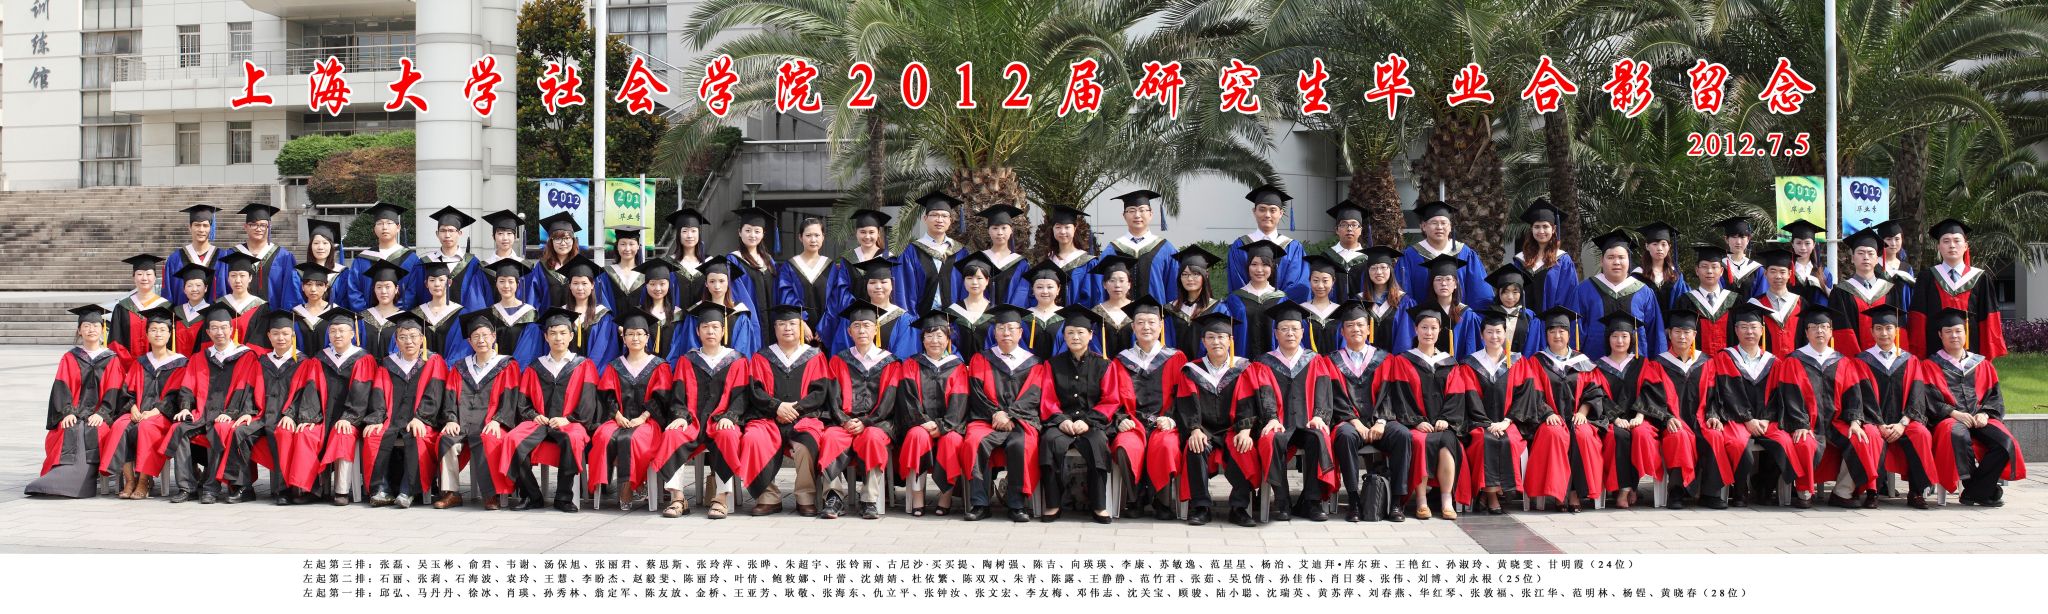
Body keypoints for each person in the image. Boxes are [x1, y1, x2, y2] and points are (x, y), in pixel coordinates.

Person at [1235, 302, 1341, 523]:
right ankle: (1282, 502)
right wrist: (1271, 418)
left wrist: (1319, 415)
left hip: (1307, 422)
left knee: (1319, 436)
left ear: (1302, 332)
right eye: (1284, 329)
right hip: (1278, 424)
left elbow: (1323, 390)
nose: (1290, 333)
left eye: (1294, 328)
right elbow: (1263, 393)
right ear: (1276, 333)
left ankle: (1311, 502)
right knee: (1271, 439)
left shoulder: (1315, 360)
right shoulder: (1263, 362)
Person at [1767, 309, 1883, 509]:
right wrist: (1800, 424)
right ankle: (1804, 493)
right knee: (1804, 442)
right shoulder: (1793, 361)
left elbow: (1853, 395)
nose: (1819, 331)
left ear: (1831, 332)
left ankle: (1842, 492)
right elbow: (1790, 396)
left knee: (1859, 439)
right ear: (1806, 333)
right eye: (1814, 327)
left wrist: (1855, 421)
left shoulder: (1843, 361)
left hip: (1837, 422)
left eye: (1824, 327)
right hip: (1808, 423)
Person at [652, 302, 757, 519]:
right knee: (672, 434)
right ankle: (678, 498)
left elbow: (742, 396)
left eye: (715, 327)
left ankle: (721, 498)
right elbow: (678, 395)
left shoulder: (737, 360)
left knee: (728, 435)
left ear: (723, 331)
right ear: (698, 331)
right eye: (705, 327)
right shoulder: (687, 360)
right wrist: (681, 416)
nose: (710, 331)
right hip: (693, 420)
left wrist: (731, 416)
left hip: (721, 420)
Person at [739, 305, 839, 516]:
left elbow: (820, 392)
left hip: (804, 418)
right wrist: (777, 407)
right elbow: (755, 391)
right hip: (768, 418)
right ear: (774, 328)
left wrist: (795, 409)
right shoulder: (762, 357)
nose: (787, 328)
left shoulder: (815, 356)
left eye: (793, 323)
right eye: (782, 324)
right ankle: (768, 497)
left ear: (801, 327)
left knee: (807, 444)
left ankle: (805, 497)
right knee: (753, 438)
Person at [1037, 306, 1133, 524]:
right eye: (1070, 332)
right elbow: (1047, 399)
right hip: (1060, 423)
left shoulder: (1104, 365)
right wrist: (1061, 420)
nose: (1075, 337)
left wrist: (1088, 421)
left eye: (1080, 332)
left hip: (1092, 424)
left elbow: (1110, 400)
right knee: (1049, 442)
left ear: (1090, 335)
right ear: (1064, 336)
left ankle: (1098, 505)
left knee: (1098, 444)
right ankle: (1053, 503)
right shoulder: (1052, 365)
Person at [1168, 313, 1266, 526]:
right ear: (1203, 342)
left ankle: (1239, 507)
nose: (1216, 342)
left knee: (1244, 448)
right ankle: (1201, 506)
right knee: (1195, 447)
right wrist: (1194, 429)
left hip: (1233, 428)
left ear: (1230, 340)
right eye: (1211, 337)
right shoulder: (1192, 370)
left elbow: (1248, 401)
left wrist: (1245, 430)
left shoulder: (1243, 368)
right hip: (1204, 429)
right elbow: (1185, 403)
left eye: (1221, 337)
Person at [1923, 308, 2027, 507]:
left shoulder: (1982, 364)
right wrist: (1953, 413)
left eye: (1958, 331)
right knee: (1957, 433)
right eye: (1948, 331)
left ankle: (1974, 492)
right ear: (1940, 335)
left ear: (1966, 332)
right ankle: (1980, 490)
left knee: (2005, 443)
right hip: (1949, 419)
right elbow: (1928, 400)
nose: (1954, 336)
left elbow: (1994, 396)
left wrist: (1985, 414)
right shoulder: (1930, 365)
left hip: (1979, 417)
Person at [1449, 308, 1549, 515]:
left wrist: (1507, 421)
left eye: (1498, 332)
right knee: (1484, 440)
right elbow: (1470, 397)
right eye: (1489, 332)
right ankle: (1493, 496)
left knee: (1509, 440)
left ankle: (1488, 494)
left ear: (1505, 334)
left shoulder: (1518, 362)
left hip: (1510, 422)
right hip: (1479, 423)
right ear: (1482, 335)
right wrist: (1487, 424)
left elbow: (1525, 395)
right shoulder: (1470, 364)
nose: (1494, 336)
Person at [1370, 305, 1465, 520]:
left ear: (1439, 331)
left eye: (1433, 328)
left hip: (1442, 424)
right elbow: (1399, 396)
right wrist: (1416, 421)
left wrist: (1445, 419)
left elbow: (1457, 395)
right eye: (1424, 327)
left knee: (1448, 443)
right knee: (1419, 442)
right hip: (1415, 424)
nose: (1428, 332)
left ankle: (1446, 500)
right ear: (1415, 330)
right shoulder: (1403, 361)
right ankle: (1421, 501)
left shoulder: (1450, 363)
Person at [1588, 312, 1691, 509]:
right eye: (1615, 336)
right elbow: (1598, 396)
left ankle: (1629, 487)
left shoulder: (1642, 363)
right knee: (1617, 436)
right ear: (1608, 338)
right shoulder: (1598, 367)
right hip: (1610, 420)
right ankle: (1625, 489)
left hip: (1639, 417)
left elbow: (1651, 391)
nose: (1620, 341)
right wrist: (1615, 418)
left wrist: (1640, 415)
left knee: (1641, 433)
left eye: (1624, 336)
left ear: (1632, 339)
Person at [1703, 303, 1801, 507]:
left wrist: (1765, 418)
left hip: (1766, 420)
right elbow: (1725, 393)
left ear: (1762, 330)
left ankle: (1765, 487)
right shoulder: (1724, 358)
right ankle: (1740, 491)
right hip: (1736, 419)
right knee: (1738, 444)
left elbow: (1778, 396)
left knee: (1784, 442)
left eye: (1754, 327)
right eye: (1744, 327)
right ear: (1736, 330)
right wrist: (1747, 419)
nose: (1749, 332)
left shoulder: (1774, 362)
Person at [504, 307, 600, 513]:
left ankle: (563, 497)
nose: (558, 338)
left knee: (573, 438)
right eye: (553, 333)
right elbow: (523, 402)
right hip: (540, 422)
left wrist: (569, 419)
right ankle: (532, 495)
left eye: (563, 333)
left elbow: (588, 401)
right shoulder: (535, 367)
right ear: (546, 337)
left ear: (571, 336)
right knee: (513, 439)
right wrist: (534, 416)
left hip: (570, 422)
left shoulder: (584, 365)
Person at [960, 305, 1050, 522]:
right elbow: (977, 393)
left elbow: (1033, 394)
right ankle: (980, 503)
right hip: (986, 419)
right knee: (974, 442)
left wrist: (1009, 415)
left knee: (1021, 444)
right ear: (994, 332)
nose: (1006, 333)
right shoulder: (981, 359)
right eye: (1001, 328)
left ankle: (1017, 504)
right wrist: (996, 414)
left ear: (1020, 332)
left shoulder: (1034, 363)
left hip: (1021, 420)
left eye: (1011, 328)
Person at [166, 302, 262, 504]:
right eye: (215, 328)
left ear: (231, 329)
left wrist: (232, 413)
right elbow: (187, 387)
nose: (220, 332)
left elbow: (247, 389)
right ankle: (187, 487)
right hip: (202, 414)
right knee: (178, 428)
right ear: (208, 332)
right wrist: (185, 408)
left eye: (224, 327)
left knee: (221, 428)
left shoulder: (246, 356)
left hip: (228, 414)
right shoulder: (199, 357)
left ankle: (211, 487)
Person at [813, 302, 901, 520]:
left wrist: (867, 422)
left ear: (875, 330)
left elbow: (889, 401)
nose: (862, 330)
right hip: (844, 421)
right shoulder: (838, 360)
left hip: (877, 423)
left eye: (867, 325)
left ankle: (869, 499)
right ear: (849, 331)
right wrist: (844, 420)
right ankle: (833, 497)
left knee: (872, 438)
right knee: (830, 437)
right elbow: (833, 398)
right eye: (857, 326)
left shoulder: (890, 362)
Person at [430, 312, 522, 510]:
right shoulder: (460, 367)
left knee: (489, 438)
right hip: (462, 423)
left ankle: (491, 494)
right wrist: (451, 419)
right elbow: (450, 397)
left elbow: (510, 398)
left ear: (493, 337)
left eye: (485, 335)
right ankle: (451, 493)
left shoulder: (507, 365)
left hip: (490, 422)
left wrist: (498, 420)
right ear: (469, 341)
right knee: (445, 439)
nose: (481, 340)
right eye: (476, 336)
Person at [1523, 306, 1610, 513]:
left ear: (1569, 335)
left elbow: (1594, 392)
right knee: (1554, 434)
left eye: (1561, 331)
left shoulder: (1583, 362)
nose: (1557, 335)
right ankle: (1558, 492)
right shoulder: (1536, 362)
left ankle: (1575, 493)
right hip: (1548, 418)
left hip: (1579, 416)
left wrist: (1583, 412)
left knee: (1583, 435)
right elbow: (1532, 394)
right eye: (1552, 331)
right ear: (1546, 335)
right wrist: (1548, 413)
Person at [34, 305, 126, 498]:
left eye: (95, 325)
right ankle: (58, 476)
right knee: (68, 428)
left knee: (94, 429)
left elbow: (114, 391)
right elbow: (62, 387)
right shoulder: (70, 357)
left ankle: (81, 480)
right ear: (79, 330)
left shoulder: (111, 359)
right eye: (86, 326)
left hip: (101, 415)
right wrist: (67, 412)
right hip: (73, 412)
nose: (91, 329)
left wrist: (102, 414)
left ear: (103, 329)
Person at [1326, 302, 1405, 522]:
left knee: (1402, 435)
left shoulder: (1386, 359)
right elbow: (1333, 397)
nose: (1356, 329)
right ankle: (1354, 502)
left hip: (1381, 421)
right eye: (1350, 325)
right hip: (1349, 423)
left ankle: (1396, 502)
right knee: (1345, 436)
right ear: (1342, 332)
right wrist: (1354, 421)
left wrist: (1382, 421)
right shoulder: (1331, 361)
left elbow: (1392, 394)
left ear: (1368, 329)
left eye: (1360, 325)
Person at [1853, 304, 1938, 509]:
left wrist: (1903, 423)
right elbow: (1862, 398)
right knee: (1870, 435)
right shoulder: (1861, 361)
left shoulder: (1910, 360)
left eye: (1889, 328)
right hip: (1874, 422)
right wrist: (1879, 424)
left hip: (1904, 421)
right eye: (1879, 328)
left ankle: (1916, 492)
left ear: (1897, 331)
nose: (1884, 333)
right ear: (1872, 331)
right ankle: (1873, 491)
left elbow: (1917, 395)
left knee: (1921, 434)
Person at [587, 307, 671, 511]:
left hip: (648, 421)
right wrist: (616, 415)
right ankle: (614, 485)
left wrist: (642, 417)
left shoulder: (659, 366)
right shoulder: (614, 366)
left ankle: (628, 487)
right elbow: (606, 396)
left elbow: (662, 397)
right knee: (603, 436)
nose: (635, 338)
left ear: (647, 337)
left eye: (639, 334)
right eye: (630, 334)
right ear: (623, 338)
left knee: (632, 439)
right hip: (618, 419)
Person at [362, 312, 448, 509]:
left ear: (422, 339)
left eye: (413, 336)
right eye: (403, 337)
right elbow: (379, 392)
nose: (408, 341)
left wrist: (422, 418)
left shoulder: (433, 361)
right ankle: (381, 489)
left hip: (422, 420)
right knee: (373, 435)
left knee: (418, 436)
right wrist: (376, 419)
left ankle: (408, 490)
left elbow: (435, 393)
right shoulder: (388, 363)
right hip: (391, 419)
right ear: (396, 340)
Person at [102, 306, 187, 500]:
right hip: (138, 411)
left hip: (162, 416)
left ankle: (144, 481)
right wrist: (132, 408)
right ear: (147, 334)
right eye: (153, 330)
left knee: (146, 428)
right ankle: (130, 480)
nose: (158, 334)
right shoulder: (140, 362)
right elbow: (127, 391)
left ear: (170, 334)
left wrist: (156, 411)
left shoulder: (180, 363)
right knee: (119, 425)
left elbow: (178, 396)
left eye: (162, 330)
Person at [893, 310, 971, 517]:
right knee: (916, 436)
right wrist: (923, 422)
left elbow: (960, 400)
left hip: (950, 425)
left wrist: (944, 426)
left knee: (952, 440)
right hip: (919, 424)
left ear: (948, 339)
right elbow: (908, 397)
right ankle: (918, 497)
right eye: (929, 335)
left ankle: (945, 497)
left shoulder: (957, 366)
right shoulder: (911, 364)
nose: (934, 341)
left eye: (939, 335)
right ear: (922, 339)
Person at [223, 313, 305, 505]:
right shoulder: (262, 361)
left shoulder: (303, 362)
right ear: (268, 336)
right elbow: (250, 389)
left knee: (283, 434)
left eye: (285, 333)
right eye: (275, 333)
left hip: (285, 417)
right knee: (239, 432)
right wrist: (247, 412)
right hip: (262, 416)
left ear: (292, 335)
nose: (280, 338)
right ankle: (244, 487)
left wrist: (292, 414)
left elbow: (305, 393)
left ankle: (284, 490)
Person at [304, 308, 382, 506]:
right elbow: (312, 389)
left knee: (343, 434)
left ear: (352, 334)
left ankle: (341, 490)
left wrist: (349, 418)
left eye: (342, 331)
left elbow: (361, 394)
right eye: (333, 331)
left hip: (354, 418)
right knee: (308, 433)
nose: (337, 335)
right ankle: (311, 488)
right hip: (323, 416)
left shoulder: (363, 359)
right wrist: (310, 417)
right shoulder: (320, 358)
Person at [1120, 298, 1189, 520]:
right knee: (1125, 445)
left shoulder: (1176, 358)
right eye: (1140, 322)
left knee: (1166, 445)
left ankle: (1163, 502)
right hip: (1133, 422)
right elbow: (1113, 396)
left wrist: (1171, 419)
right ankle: (1135, 499)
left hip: (1164, 422)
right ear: (1133, 327)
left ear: (1161, 325)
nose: (1146, 327)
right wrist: (1120, 418)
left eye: (1151, 322)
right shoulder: (1121, 360)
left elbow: (1184, 396)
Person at [1653, 306, 1722, 508]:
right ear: (1669, 334)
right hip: (1671, 422)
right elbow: (1652, 398)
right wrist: (1667, 417)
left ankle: (1710, 493)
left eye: (1687, 332)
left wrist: (1713, 415)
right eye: (1677, 332)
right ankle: (1676, 491)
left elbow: (1714, 395)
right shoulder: (1658, 363)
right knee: (1678, 435)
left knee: (1715, 435)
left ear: (1694, 335)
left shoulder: (1706, 362)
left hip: (1701, 420)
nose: (1682, 337)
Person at [1909, 219, 2007, 360]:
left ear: (1966, 246)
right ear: (1939, 247)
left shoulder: (1980, 278)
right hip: (1934, 350)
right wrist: (1920, 353)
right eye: (1946, 241)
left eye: (1957, 240)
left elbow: (1989, 317)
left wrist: (1986, 353)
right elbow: (1918, 318)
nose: (1952, 245)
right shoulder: (1927, 277)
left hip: (1972, 349)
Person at [1568, 230, 1667, 359]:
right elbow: (1575, 333)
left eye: (1621, 257)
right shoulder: (1584, 290)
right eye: (1610, 257)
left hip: (1636, 367)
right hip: (1593, 366)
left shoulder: (1644, 292)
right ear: (1601, 261)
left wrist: (1656, 366)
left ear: (1629, 260)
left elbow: (1655, 335)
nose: (1616, 262)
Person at [519, 256, 620, 367]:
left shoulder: (604, 317)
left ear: (592, 285)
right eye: (575, 283)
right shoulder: (560, 314)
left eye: (584, 283)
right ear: (569, 286)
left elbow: (604, 353)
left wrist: (588, 372)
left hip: (593, 375)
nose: (580, 288)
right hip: (564, 374)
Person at [1397, 201, 1495, 309]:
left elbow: (1480, 293)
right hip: (1422, 318)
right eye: (1434, 223)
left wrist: (1470, 317)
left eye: (1444, 223)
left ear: (1450, 227)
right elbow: (1402, 292)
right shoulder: (1410, 255)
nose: (1439, 227)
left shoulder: (1465, 254)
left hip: (1460, 318)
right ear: (1423, 226)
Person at [1831, 229, 1910, 355]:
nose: (1866, 257)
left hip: (1887, 359)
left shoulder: (1890, 290)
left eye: (1870, 253)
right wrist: (1858, 361)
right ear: (1853, 258)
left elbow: (1899, 327)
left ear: (1877, 259)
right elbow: (1842, 332)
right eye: (1860, 253)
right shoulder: (1840, 292)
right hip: (1854, 361)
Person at [821, 257, 920, 358]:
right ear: (866, 286)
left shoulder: (904, 320)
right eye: (872, 282)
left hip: (892, 368)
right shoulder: (853, 316)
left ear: (892, 285)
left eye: (883, 282)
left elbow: (905, 355)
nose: (878, 287)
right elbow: (842, 352)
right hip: (855, 368)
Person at [448, 259, 541, 364]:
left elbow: (531, 350)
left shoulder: (530, 314)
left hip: (521, 370)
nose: (506, 286)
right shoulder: (490, 313)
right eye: (501, 281)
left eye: (511, 281)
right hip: (494, 370)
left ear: (518, 284)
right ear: (496, 284)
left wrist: (512, 368)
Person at [1227, 185, 1310, 302]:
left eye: (1272, 210)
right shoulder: (1239, 246)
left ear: (1281, 213)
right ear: (1254, 211)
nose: (1267, 215)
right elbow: (1237, 282)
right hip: (1248, 310)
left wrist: (1276, 305)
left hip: (1285, 312)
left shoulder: (1293, 248)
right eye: (1262, 209)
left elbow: (1298, 285)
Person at [1391, 254, 1483, 356]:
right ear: (1432, 284)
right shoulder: (1421, 313)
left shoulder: (1468, 316)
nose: (1443, 283)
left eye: (1448, 279)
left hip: (1459, 366)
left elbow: (1473, 350)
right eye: (1438, 279)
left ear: (1455, 284)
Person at [670, 257, 763, 358]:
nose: (717, 286)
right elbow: (690, 346)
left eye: (721, 281)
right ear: (706, 284)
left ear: (728, 283)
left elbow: (743, 349)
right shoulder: (695, 313)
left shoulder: (740, 314)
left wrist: (727, 365)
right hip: (701, 366)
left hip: (734, 366)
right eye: (712, 281)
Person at [1101, 190, 1182, 303]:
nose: (1137, 215)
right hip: (1120, 313)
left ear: (1151, 214)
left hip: (1155, 313)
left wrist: (1167, 313)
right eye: (1131, 210)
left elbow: (1174, 289)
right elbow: (1102, 289)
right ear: (1124, 215)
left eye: (1142, 210)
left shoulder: (1166, 249)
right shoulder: (1112, 249)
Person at [221, 203, 303, 311]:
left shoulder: (283, 257)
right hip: (240, 317)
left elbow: (290, 292)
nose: (258, 229)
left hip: (273, 317)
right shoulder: (231, 254)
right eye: (253, 224)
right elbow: (223, 288)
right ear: (245, 227)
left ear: (269, 227)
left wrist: (283, 318)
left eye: (263, 225)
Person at [342, 202, 424, 310]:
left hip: (400, 317)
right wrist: (367, 314)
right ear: (374, 229)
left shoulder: (411, 259)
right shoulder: (362, 259)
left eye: (389, 223)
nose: (384, 227)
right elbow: (353, 289)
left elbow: (413, 292)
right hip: (367, 317)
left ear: (398, 227)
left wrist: (394, 313)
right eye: (380, 223)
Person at [898, 192, 967, 312]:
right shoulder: (912, 251)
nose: (939, 220)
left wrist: (961, 316)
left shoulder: (960, 252)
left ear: (950, 220)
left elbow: (966, 287)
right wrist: (912, 319)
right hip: (922, 318)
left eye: (944, 216)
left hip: (954, 318)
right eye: (934, 215)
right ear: (925, 219)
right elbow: (904, 289)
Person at [823, 209, 894, 323]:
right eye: (863, 232)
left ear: (878, 233)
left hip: (883, 316)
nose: (867, 236)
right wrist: (856, 311)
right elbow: (842, 290)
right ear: (856, 233)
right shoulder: (847, 260)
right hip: (854, 317)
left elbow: (895, 289)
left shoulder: (889, 258)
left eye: (871, 232)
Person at [1223, 240, 1291, 358]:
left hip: (1275, 363)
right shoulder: (1235, 298)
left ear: (1272, 267)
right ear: (1248, 267)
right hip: (1243, 361)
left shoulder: (1281, 299)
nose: (1259, 270)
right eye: (1254, 264)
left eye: (1265, 265)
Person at [1512, 199, 1578, 312]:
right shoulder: (1520, 260)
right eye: (1537, 227)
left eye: (1545, 226)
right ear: (1531, 229)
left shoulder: (1563, 260)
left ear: (1553, 229)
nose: (1541, 231)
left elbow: (1569, 295)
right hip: (1524, 319)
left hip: (1553, 320)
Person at [727, 207, 780, 348]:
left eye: (757, 231)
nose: (752, 235)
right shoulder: (733, 260)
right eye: (748, 230)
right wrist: (753, 317)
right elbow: (736, 292)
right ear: (739, 232)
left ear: (763, 234)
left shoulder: (769, 261)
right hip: (750, 319)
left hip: (771, 320)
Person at [1673, 244, 1737, 356]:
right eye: (1704, 266)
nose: (1709, 271)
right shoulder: (1685, 301)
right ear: (1697, 270)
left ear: (1721, 271)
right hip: (1696, 363)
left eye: (1714, 266)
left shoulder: (1735, 301)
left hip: (1729, 363)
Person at [1165, 246, 1229, 357]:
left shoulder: (1219, 309)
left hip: (1206, 366)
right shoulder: (1169, 310)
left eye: (1195, 274)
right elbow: (1166, 344)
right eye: (1185, 274)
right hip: (1176, 365)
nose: (1190, 279)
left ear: (1206, 275)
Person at [775, 217, 836, 335]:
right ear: (800, 237)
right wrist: (801, 323)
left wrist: (825, 327)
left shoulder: (830, 266)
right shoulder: (789, 267)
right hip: (797, 329)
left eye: (817, 235)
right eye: (808, 235)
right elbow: (787, 297)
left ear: (823, 237)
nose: (813, 240)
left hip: (826, 331)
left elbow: (835, 300)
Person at [417, 206, 482, 314]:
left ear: (459, 233)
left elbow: (476, 299)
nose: (447, 235)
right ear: (437, 234)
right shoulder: (425, 262)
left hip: (462, 321)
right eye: (443, 230)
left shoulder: (472, 263)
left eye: (451, 230)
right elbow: (417, 293)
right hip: (431, 318)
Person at [967, 204, 1031, 308]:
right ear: (988, 231)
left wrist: (1008, 314)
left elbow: (1022, 293)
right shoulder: (980, 259)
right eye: (995, 228)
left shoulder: (1021, 263)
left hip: (1010, 315)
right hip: (982, 315)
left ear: (1011, 230)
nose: (1000, 233)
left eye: (1004, 228)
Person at [108, 254, 171, 359]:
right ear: (133, 277)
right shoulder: (122, 307)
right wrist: (132, 365)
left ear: (155, 278)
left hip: (158, 365)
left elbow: (171, 341)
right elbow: (115, 342)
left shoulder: (166, 307)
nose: (144, 278)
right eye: (140, 274)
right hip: (127, 366)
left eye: (149, 274)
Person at [1035, 204, 1099, 306]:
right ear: (1052, 229)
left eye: (1067, 227)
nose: (1062, 231)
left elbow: (1094, 296)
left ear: (1075, 228)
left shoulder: (1088, 263)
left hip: (1078, 315)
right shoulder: (1048, 261)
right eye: (1058, 227)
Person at [1746, 248, 1804, 356]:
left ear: (1790, 274)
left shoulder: (1801, 303)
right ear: (1765, 273)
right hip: (1765, 364)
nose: (1778, 276)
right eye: (1773, 271)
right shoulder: (1755, 304)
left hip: (1796, 363)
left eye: (1782, 272)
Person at [474, 210, 537, 308]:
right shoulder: (483, 268)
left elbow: (531, 299)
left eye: (509, 233)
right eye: (500, 233)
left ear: (515, 236)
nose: (505, 238)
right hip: (489, 317)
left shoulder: (526, 268)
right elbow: (477, 301)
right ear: (493, 236)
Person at [526, 211, 588, 309]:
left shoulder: (582, 266)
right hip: (548, 318)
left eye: (567, 238)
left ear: (573, 241)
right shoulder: (541, 267)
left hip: (577, 318)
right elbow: (533, 299)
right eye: (557, 238)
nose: (563, 243)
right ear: (551, 242)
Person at [216, 251, 275, 353]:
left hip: (250, 358)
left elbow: (260, 340)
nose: (237, 280)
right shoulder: (218, 305)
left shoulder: (261, 307)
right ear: (228, 278)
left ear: (250, 278)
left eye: (242, 275)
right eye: (233, 275)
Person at [163, 204, 223, 302]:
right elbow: (168, 295)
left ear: (211, 228)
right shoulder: (175, 259)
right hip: (182, 311)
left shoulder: (222, 257)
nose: (201, 230)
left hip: (216, 312)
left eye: (205, 225)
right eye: (197, 225)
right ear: (189, 227)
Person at [634, 258, 690, 360]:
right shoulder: (638, 313)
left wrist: (666, 367)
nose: (658, 288)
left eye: (662, 284)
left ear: (669, 285)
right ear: (646, 286)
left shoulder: (678, 315)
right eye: (652, 284)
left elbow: (679, 346)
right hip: (644, 367)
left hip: (672, 366)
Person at [1482, 265, 1545, 356]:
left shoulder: (1529, 316)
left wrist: (1522, 363)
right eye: (1505, 291)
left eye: (1515, 292)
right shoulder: (1489, 314)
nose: (1510, 297)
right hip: (1493, 361)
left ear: (1521, 293)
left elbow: (1532, 346)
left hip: (1521, 363)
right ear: (1498, 292)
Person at [304, 218, 361, 314]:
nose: (320, 247)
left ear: (331, 246)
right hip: (306, 320)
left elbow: (346, 303)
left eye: (325, 243)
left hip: (336, 320)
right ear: (310, 246)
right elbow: (294, 303)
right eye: (316, 243)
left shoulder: (342, 273)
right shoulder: (299, 273)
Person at [946, 252, 1001, 353]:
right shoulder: (952, 311)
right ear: (964, 281)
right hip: (958, 362)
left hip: (987, 362)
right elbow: (949, 343)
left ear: (987, 281)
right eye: (969, 278)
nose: (974, 282)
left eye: (979, 278)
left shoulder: (996, 312)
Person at [355, 259, 410, 357]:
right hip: (366, 366)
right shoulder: (362, 318)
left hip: (392, 366)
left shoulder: (404, 319)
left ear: (396, 289)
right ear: (374, 289)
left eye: (388, 287)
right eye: (379, 287)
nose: (383, 291)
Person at [1359, 246, 1410, 352]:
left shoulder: (1404, 301)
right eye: (1373, 268)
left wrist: (1395, 360)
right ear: (1368, 272)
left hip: (1395, 360)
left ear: (1391, 270)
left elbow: (1405, 338)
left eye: (1383, 267)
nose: (1378, 272)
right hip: (1366, 360)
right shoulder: (1359, 301)